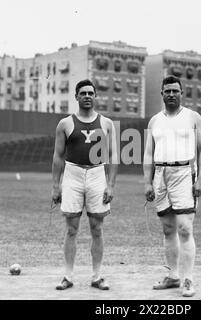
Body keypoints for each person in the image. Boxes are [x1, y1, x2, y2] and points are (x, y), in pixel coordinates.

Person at [143, 75, 201, 297]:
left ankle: (188, 279)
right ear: (162, 94)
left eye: (175, 90)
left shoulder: (193, 118)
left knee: (185, 227)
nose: (171, 94)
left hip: (183, 173)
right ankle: (173, 276)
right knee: (168, 228)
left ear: (181, 93)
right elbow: (148, 154)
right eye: (167, 91)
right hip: (160, 174)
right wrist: (147, 182)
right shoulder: (154, 121)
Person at [51, 79, 118, 291]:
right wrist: (56, 185)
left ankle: (97, 276)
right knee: (71, 228)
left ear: (95, 96)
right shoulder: (65, 124)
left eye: (91, 93)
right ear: (76, 97)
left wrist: (111, 185)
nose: (87, 96)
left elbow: (114, 155)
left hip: (97, 174)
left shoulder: (106, 123)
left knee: (97, 228)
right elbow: (58, 156)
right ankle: (68, 276)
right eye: (83, 93)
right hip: (73, 174)